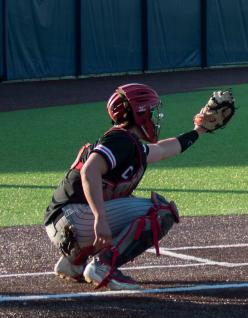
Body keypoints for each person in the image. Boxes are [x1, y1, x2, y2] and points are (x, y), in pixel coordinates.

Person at [43, 83, 220, 290]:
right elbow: (89, 171)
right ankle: (103, 265)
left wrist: (199, 130)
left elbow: (162, 149)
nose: (154, 117)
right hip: (75, 216)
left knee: (134, 204)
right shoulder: (120, 139)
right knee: (161, 211)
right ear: (140, 113)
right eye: (151, 111)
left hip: (64, 222)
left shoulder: (126, 142)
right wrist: (100, 218)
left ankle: (74, 263)